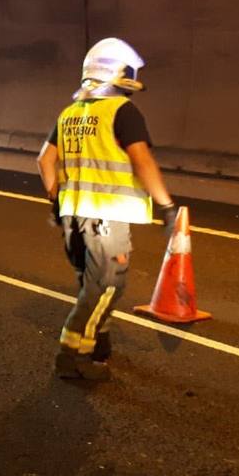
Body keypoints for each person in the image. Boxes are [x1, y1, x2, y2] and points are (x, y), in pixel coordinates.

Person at [36, 38, 178, 382]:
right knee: (106, 287)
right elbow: (142, 161)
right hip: (106, 218)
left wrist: (56, 199)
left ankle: (98, 342)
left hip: (72, 217)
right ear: (117, 72)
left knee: (90, 284)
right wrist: (166, 205)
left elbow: (44, 161)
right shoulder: (122, 111)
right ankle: (72, 357)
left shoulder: (70, 113)